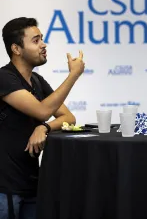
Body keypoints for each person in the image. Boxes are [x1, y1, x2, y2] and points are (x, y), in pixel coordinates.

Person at [0, 17, 85, 219]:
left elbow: (68, 117)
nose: (43, 45)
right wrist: (73, 75)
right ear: (16, 49)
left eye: (42, 39)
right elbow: (41, 111)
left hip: (31, 183)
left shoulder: (37, 80)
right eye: (36, 40)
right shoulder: (4, 78)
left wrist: (44, 128)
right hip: (6, 188)